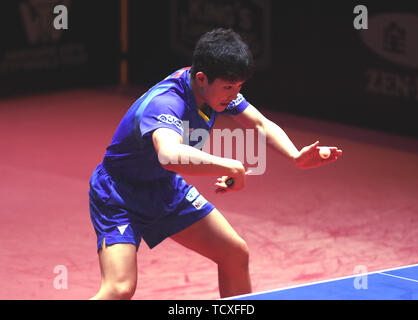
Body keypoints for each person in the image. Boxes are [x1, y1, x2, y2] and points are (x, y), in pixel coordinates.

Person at [88, 28, 342, 300]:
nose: (234, 95)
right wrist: (231, 166)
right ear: (201, 78)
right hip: (119, 195)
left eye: (239, 87)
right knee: (119, 289)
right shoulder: (166, 102)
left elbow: (259, 123)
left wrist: (295, 156)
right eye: (229, 87)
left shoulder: (214, 91)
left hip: (164, 187)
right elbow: (169, 155)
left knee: (234, 254)